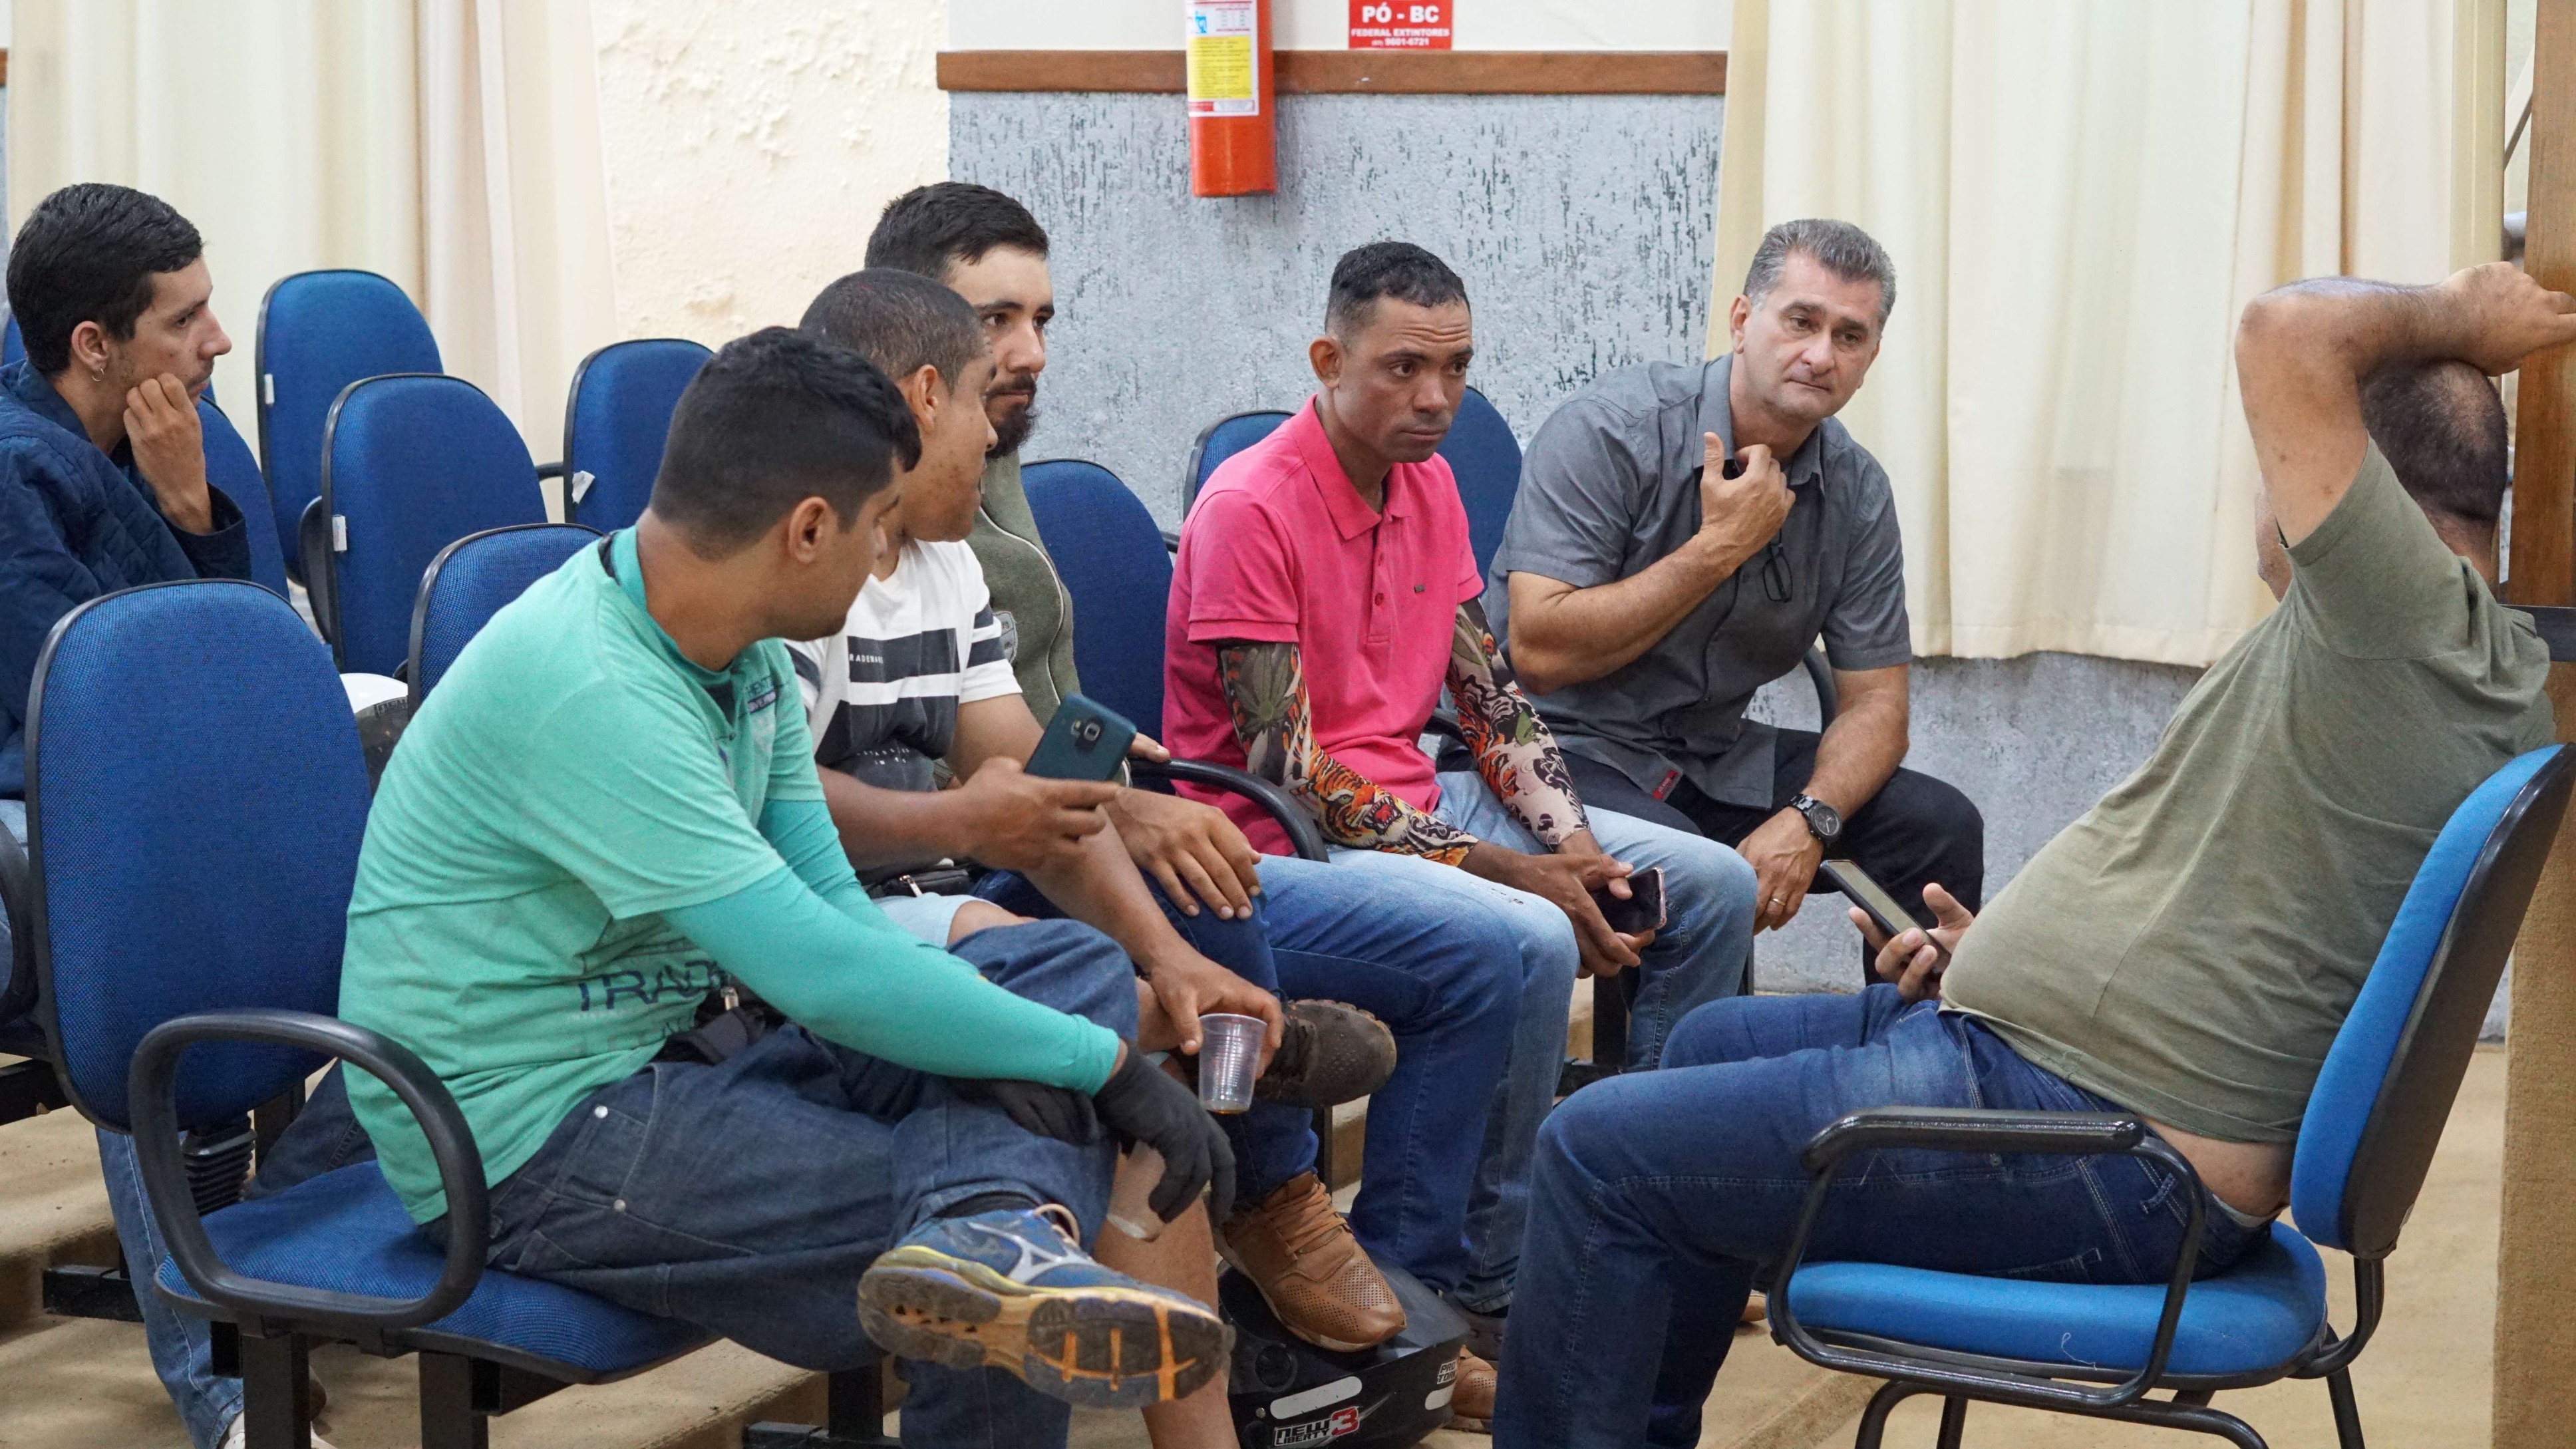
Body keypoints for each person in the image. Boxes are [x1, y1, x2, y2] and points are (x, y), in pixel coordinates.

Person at [1492, 261, 2570, 1448]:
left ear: (2365, 490)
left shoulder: (2401, 622)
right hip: (2076, 1084)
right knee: (1702, 1043)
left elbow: (2288, 329)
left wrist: (2466, 317)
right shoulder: (2441, 658)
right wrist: (1999, 963)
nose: (2265, 484)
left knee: (1595, 1149)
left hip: (2110, 1156)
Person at [336, 327, 1239, 1448]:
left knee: (1056, 965)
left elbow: (837, 917)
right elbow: (819, 973)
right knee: (1044, 1149)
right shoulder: (593, 688)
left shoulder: (744, 651)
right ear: (810, 528)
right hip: (526, 1138)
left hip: (687, 1054)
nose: (882, 556)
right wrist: (1103, 1065)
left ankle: (989, 1231)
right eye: (877, 526)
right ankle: (991, 1231)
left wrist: (1062, 1047)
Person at [865, 185, 1533, 1426]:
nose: (1030, 351)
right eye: (995, 321)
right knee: (1176, 939)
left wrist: (1123, 810)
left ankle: (1414, 1315)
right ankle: (1267, 1163)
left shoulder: (969, 509)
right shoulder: (864, 535)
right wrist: (1120, 819)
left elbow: (1012, 738)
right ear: (912, 349)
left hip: (1031, 843)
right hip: (937, 885)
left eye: (1042, 318)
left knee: (1443, 948)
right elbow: (808, 820)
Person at [789, 267, 1420, 1443]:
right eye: (981, 398)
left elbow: (1029, 789)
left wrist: (1168, 950)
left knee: (1174, 912)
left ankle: (1190, 1024)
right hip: (807, 924)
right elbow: (771, 812)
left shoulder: (946, 561)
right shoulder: (802, 564)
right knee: (1082, 1018)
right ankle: (1211, 1046)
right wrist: (979, 836)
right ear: (921, 398)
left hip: (931, 898)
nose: (995, 438)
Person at [1163, 239, 1761, 1408]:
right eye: (1403, 367)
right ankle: (1470, 1287)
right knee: (1523, 933)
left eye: (1456, 367)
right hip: (1284, 835)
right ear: (1328, 360)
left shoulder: (1427, 482)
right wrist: (1504, 867)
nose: (1436, 396)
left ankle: (1654, 1219)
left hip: (1424, 801)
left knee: (1708, 885)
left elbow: (1488, 698)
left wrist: (1572, 840)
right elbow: (1291, 771)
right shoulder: (1249, 506)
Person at [1488, 218, 1983, 970]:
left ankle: (1896, 1037)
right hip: (1550, 749)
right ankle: (1674, 1052)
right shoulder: (1612, 431)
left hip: (1709, 757)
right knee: (1693, 868)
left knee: (1937, 825)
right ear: (1743, 319)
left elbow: (1877, 705)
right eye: (1800, 321)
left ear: (1871, 358)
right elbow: (1540, 653)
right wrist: (1719, 547)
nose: (1820, 355)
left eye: (1849, 337)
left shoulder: (1855, 490)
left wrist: (1809, 819)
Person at [0, 182, 293, 1449]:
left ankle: (279, 1270)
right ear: (94, 344)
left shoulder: (137, 451)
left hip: (133, 799)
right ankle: (220, 1385)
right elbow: (86, 708)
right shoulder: (16, 471)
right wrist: (180, 512)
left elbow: (239, 652)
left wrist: (189, 510)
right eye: (186, 320)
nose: (217, 340)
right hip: (39, 821)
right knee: (152, 940)